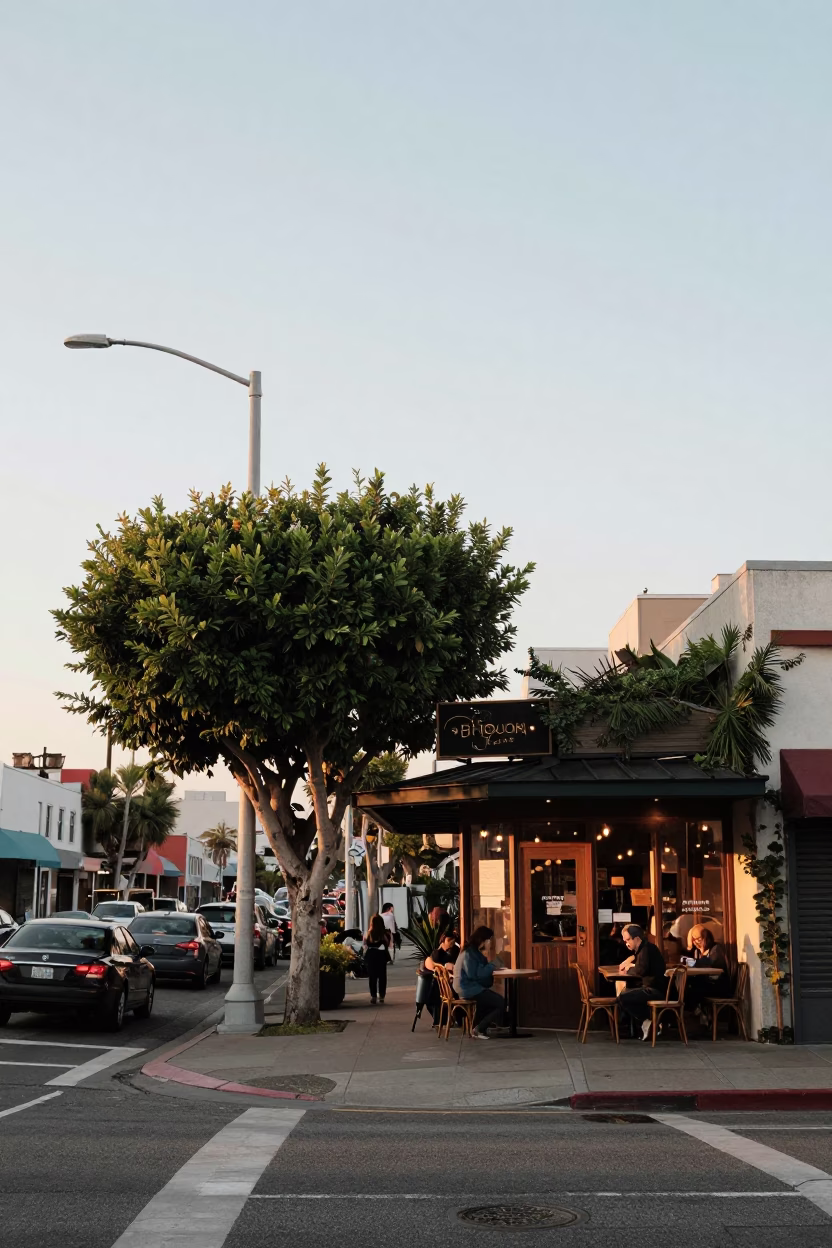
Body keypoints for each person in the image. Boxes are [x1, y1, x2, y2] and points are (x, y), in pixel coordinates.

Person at [616, 923, 667, 1041]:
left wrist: (629, 969)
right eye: (625, 940)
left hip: (654, 990)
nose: (626, 943)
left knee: (623, 997)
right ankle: (642, 1025)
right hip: (652, 987)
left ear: (637, 938)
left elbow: (640, 970)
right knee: (625, 994)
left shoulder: (646, 950)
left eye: (628, 939)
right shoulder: (643, 949)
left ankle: (648, 1021)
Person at [454, 925, 504, 1039]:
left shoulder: (473, 951)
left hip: (470, 987)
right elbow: (476, 975)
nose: (491, 943)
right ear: (483, 940)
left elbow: (480, 971)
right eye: (489, 940)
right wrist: (493, 965)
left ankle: (477, 1027)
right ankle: (479, 1028)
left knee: (488, 1001)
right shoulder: (469, 954)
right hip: (468, 989)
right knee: (500, 1002)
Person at [685, 924, 731, 1024]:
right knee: (689, 983)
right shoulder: (701, 952)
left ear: (706, 938)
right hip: (710, 984)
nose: (696, 943)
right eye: (694, 940)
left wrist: (700, 956)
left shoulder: (716, 949)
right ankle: (698, 1013)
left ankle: (698, 1014)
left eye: (698, 939)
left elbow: (711, 964)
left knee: (694, 987)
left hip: (720, 987)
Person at [425, 930, 460, 1026]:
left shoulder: (455, 950)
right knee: (435, 991)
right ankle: (441, 1019)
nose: (450, 944)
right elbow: (429, 962)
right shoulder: (437, 953)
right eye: (449, 941)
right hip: (445, 983)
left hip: (451, 982)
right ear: (443, 940)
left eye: (452, 941)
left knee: (435, 991)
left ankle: (441, 1020)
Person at [363, 914, 391, 1005]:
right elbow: (388, 945)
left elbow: (366, 944)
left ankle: (373, 996)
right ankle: (382, 996)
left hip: (371, 956)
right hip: (381, 956)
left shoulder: (369, 933)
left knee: (372, 977)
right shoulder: (385, 933)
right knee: (382, 976)